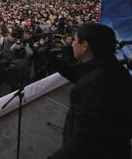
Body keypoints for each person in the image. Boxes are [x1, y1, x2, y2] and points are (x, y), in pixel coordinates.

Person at [50, 23, 132, 159]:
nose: (72, 44)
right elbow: (83, 77)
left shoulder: (93, 85)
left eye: (75, 40)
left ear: (85, 45)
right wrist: (56, 63)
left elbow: (83, 141)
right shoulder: (114, 69)